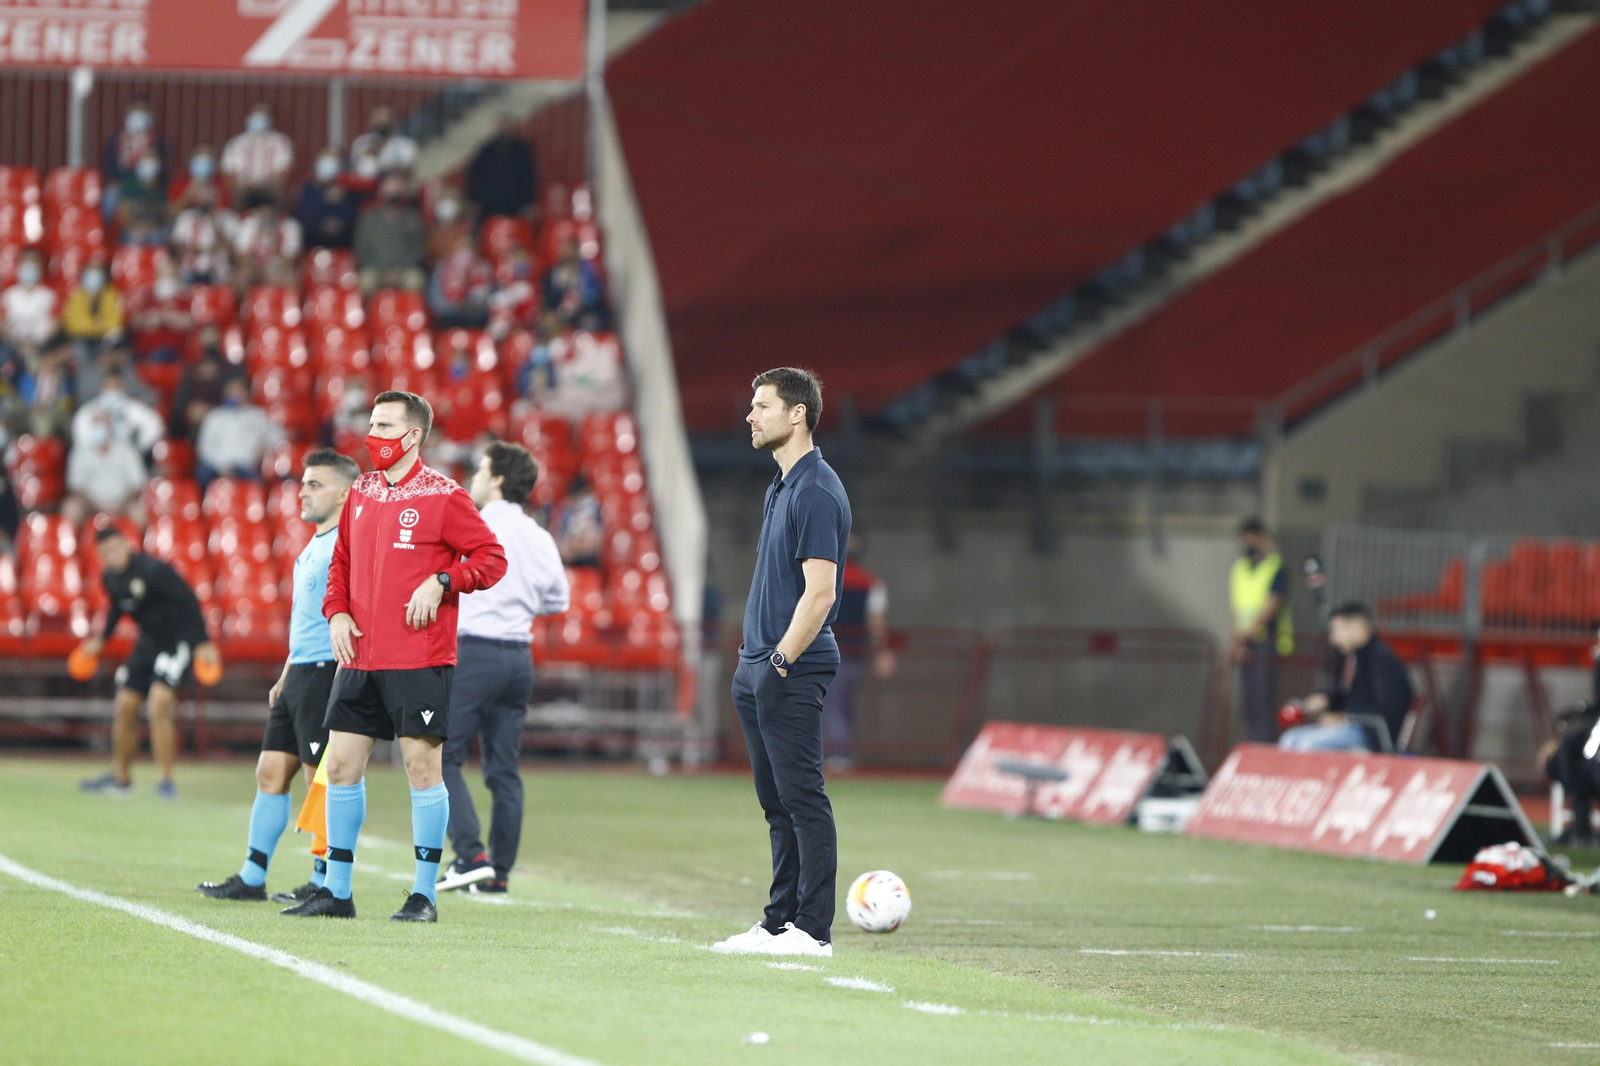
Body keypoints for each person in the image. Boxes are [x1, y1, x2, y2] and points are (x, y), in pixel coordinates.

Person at [280, 391, 506, 922]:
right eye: (372, 424)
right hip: (359, 656)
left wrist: (443, 580)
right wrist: (336, 612)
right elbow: (342, 562)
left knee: (422, 767)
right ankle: (337, 891)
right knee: (339, 766)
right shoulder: (359, 492)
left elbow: (491, 560)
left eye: (384, 426)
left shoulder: (445, 495)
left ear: (413, 437)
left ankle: (424, 894)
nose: (372, 435)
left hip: (418, 657)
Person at [712, 367, 851, 959]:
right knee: (776, 803)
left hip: (788, 665)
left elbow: (820, 593)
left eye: (762, 405)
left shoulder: (816, 489)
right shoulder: (782, 484)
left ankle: (812, 930)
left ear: (797, 414)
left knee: (802, 798)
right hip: (759, 664)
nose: (750, 414)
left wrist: (779, 661)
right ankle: (777, 923)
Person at [197, 450, 359, 902]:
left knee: (318, 778)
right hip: (301, 672)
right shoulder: (315, 544)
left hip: (328, 672)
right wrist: (288, 670)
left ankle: (325, 879)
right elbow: (311, 618)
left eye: (315, 485)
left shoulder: (349, 548)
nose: (302, 493)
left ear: (345, 493)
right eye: (303, 484)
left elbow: (353, 616)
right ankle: (252, 876)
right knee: (270, 772)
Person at [436, 443, 569, 895]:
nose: (473, 476)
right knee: (504, 770)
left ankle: (470, 854)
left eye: (480, 468)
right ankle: (499, 873)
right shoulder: (539, 535)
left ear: (496, 479)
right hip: (518, 658)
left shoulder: (473, 524)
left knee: (440, 754)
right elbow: (558, 600)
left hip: (475, 652)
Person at [76, 526, 220, 799]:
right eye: (107, 552)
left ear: (126, 545)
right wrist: (102, 639)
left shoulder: (154, 570)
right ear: (100, 555)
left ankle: (166, 781)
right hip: (147, 644)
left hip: (174, 643)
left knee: (159, 703)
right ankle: (120, 779)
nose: (114, 555)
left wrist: (202, 641)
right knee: (125, 704)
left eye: (117, 548)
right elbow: (118, 607)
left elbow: (189, 599)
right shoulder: (109, 578)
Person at [1279, 602, 1414, 753]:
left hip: (1370, 734)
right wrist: (1326, 699)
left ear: (1358, 625)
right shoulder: (1353, 658)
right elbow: (1347, 695)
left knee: (1307, 745)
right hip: (1349, 728)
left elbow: (1388, 706)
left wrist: (1345, 718)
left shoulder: (1381, 660)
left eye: (1338, 630)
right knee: (1289, 739)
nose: (1333, 639)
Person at [822, 534, 895, 770]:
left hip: (829, 652)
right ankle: (842, 752)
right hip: (854, 653)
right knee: (845, 704)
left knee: (834, 703)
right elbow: (876, 622)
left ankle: (840, 755)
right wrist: (882, 652)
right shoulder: (870, 581)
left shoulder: (825, 579)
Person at [1230, 517, 1291, 744]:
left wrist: (1247, 637)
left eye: (1253, 536)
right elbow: (1237, 609)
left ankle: (1264, 748)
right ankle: (1250, 745)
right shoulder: (1240, 568)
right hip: (1246, 644)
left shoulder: (1275, 566)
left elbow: (1271, 606)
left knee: (1263, 702)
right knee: (1249, 704)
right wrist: (1237, 642)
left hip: (1267, 642)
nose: (1249, 542)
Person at [195, 377, 285, 486]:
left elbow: (278, 437)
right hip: (216, 467)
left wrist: (267, 446)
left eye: (237, 391)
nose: (233, 395)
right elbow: (204, 448)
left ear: (246, 394)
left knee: (259, 481)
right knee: (202, 473)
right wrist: (222, 467)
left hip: (246, 466)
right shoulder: (214, 416)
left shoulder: (257, 415)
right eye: (230, 392)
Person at [353, 175, 427, 293]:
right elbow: (361, 250)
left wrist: (398, 272)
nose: (393, 194)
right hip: (375, 270)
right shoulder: (368, 217)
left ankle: (408, 311)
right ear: (381, 192)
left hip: (405, 271)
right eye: (389, 190)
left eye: (397, 190)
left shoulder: (413, 218)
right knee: (365, 280)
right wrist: (383, 273)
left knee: (416, 280)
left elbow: (418, 250)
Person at [102, 99, 166, 223]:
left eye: (143, 111)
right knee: (111, 195)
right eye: (136, 111)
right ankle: (110, 231)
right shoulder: (116, 140)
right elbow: (110, 169)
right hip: (122, 183)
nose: (138, 115)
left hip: (149, 185)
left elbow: (162, 170)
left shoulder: (158, 142)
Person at [465, 115, 538, 221]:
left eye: (506, 125)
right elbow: (474, 176)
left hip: (516, 205)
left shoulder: (522, 150)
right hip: (487, 206)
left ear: (512, 127)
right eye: (501, 126)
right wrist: (473, 199)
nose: (504, 129)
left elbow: (529, 178)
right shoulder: (486, 150)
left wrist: (529, 202)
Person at [221, 102, 294, 204]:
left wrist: (265, 185)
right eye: (256, 114)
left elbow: (284, 171)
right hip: (243, 190)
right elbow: (228, 173)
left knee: (277, 196)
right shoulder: (235, 143)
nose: (259, 118)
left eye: (263, 114)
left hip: (270, 190)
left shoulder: (281, 142)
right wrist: (243, 186)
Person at [232, 193, 303, 289]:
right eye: (263, 211)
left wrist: (275, 240)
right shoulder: (249, 223)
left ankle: (284, 303)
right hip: (253, 267)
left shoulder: (290, 226)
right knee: (241, 276)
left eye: (270, 212)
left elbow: (291, 260)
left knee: (290, 279)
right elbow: (240, 255)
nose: (266, 214)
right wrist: (259, 270)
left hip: (278, 268)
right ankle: (244, 303)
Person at [295, 151, 360, 250]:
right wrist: (324, 199)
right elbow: (303, 213)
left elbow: (352, 214)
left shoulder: (345, 187)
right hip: (313, 242)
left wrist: (339, 224)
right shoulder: (308, 187)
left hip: (340, 243)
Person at [427, 231, 493, 328]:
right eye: (461, 248)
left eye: (468, 248)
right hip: (449, 315)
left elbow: (487, 300)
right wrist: (453, 306)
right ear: (454, 251)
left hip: (475, 317)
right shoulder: (442, 268)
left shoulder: (484, 268)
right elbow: (435, 300)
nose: (465, 252)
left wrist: (469, 305)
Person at [1, 251, 58, 362]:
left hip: (42, 347)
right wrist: (17, 345)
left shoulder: (49, 296)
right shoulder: (7, 295)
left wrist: (37, 345)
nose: (29, 269)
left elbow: (55, 325)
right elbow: (2, 324)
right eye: (26, 264)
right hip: (13, 347)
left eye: (33, 264)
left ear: (40, 268)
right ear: (18, 267)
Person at [347, 105, 418, 188]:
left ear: (394, 121)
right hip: (361, 183)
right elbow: (353, 165)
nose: (382, 121)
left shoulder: (406, 144)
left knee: (392, 186)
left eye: (385, 117)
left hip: (391, 183)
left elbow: (408, 168)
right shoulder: (361, 142)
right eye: (378, 117)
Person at [541, 236, 604, 329]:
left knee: (591, 322)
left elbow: (595, 295)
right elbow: (549, 297)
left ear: (577, 251)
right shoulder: (553, 272)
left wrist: (580, 297)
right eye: (566, 250)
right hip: (560, 312)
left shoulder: (588, 270)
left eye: (572, 250)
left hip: (583, 310)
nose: (569, 253)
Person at [61, 263, 124, 354]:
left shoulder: (112, 295)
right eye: (90, 274)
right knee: (78, 347)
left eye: (97, 274)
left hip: (105, 340)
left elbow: (116, 323)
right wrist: (98, 325)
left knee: (117, 346)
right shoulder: (75, 296)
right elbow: (72, 325)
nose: (94, 278)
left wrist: (91, 327)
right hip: (82, 339)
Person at [115, 148, 169, 233]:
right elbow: (122, 214)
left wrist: (149, 227)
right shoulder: (129, 186)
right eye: (146, 163)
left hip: (153, 229)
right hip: (132, 229)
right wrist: (134, 228)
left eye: (152, 164)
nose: (149, 167)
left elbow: (164, 215)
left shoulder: (162, 188)